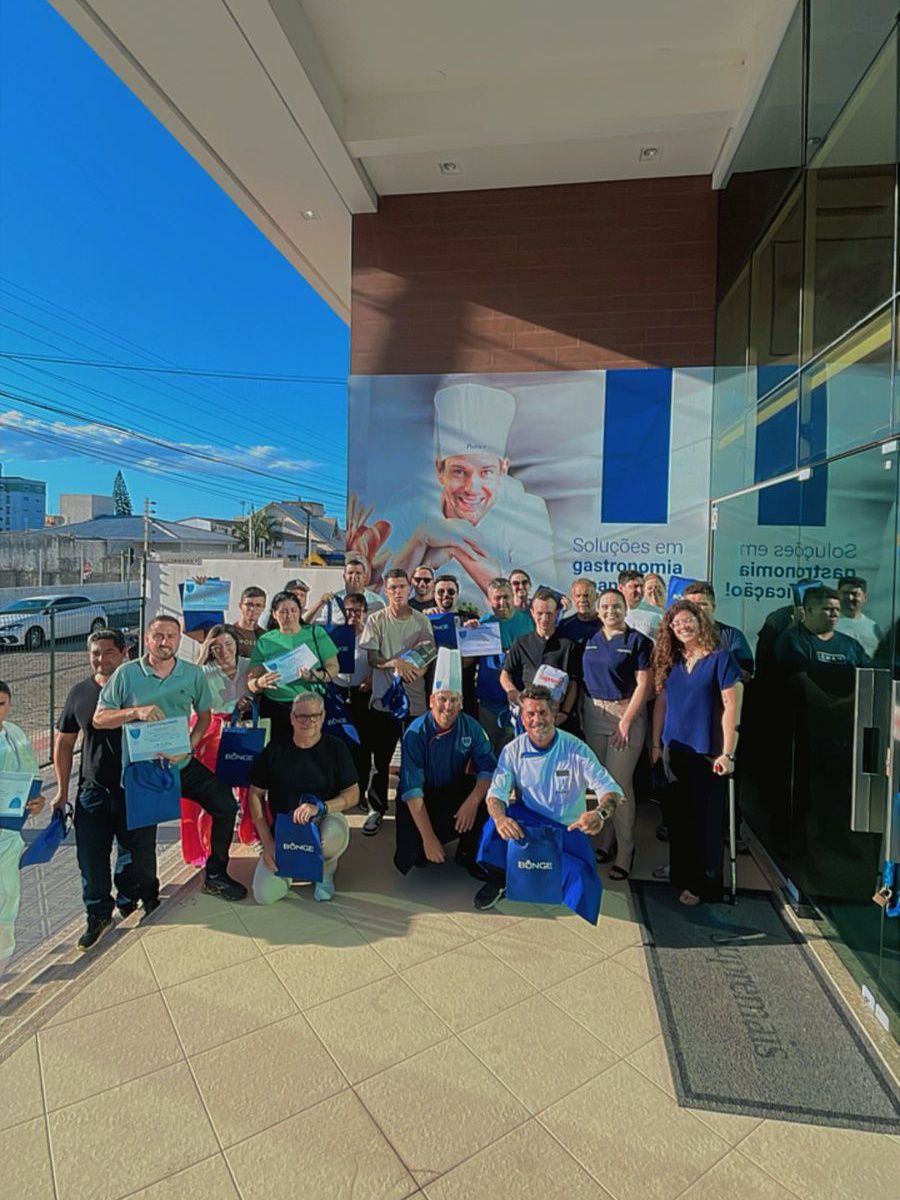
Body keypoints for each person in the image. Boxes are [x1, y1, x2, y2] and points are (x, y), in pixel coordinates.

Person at [94, 613, 247, 902]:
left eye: (171, 636)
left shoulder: (192, 674)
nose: (165, 642)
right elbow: (100, 718)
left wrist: (188, 747)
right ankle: (149, 898)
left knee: (225, 804)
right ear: (148, 639)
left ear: (179, 640)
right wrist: (134, 712)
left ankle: (215, 875)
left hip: (181, 763)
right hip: (144, 771)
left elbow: (204, 717)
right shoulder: (127, 674)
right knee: (142, 841)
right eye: (159, 636)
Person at [385, 383, 557, 603]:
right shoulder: (408, 507)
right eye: (459, 471)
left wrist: (457, 550)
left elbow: (534, 600)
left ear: (503, 470)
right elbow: (385, 594)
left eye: (486, 472)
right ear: (440, 470)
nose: (472, 487)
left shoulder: (527, 510)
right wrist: (421, 538)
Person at [54, 630, 159, 951]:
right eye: (95, 653)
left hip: (137, 789)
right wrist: (61, 791)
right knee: (90, 856)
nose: (101, 659)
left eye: (108, 653)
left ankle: (137, 898)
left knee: (138, 854)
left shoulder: (139, 689)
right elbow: (64, 742)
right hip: (93, 791)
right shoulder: (80, 693)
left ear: (124, 653)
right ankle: (98, 913)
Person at [474, 686, 623, 910]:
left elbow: (611, 791)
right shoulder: (513, 750)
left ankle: (545, 875)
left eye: (543, 713)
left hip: (566, 831)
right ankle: (500, 879)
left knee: (583, 884)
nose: (537, 720)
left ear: (554, 713)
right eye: (530, 714)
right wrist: (500, 819)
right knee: (492, 828)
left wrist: (600, 814)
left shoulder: (576, 749)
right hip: (530, 826)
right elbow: (496, 794)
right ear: (522, 719)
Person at [651, 600, 743, 906]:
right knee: (678, 819)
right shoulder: (672, 659)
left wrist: (728, 752)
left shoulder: (721, 659)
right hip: (674, 749)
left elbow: (731, 707)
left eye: (687, 621)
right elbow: (662, 704)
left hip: (708, 752)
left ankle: (705, 885)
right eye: (676, 624)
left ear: (700, 621)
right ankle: (681, 874)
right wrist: (655, 744)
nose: (682, 627)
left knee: (706, 823)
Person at [247, 693, 357, 903]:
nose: (308, 721)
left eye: (314, 715)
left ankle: (325, 869)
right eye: (302, 716)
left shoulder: (336, 748)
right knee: (264, 896)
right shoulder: (275, 749)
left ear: (323, 716)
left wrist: (322, 807)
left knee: (330, 835)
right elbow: (255, 793)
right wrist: (267, 841)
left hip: (324, 819)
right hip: (286, 829)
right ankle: (292, 867)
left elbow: (352, 794)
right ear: (292, 718)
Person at [395, 653, 496, 877]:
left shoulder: (472, 727)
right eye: (442, 699)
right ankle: (427, 842)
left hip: (453, 790)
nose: (447, 707)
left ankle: (468, 854)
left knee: (485, 801)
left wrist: (472, 802)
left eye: (453, 700)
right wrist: (429, 838)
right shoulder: (415, 732)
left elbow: (488, 768)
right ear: (431, 701)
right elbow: (412, 790)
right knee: (415, 857)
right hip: (421, 796)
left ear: (461, 703)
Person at [581, 588, 654, 879]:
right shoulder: (590, 639)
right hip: (593, 713)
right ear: (599, 611)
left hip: (625, 716)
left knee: (618, 786)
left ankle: (626, 850)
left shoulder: (638, 642)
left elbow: (644, 686)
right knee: (600, 784)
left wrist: (626, 721)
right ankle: (606, 839)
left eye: (617, 606)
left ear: (626, 609)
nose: (611, 611)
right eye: (606, 607)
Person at [358, 568, 436, 834]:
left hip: (415, 705)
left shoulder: (422, 621)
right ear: (386, 590)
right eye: (393, 588)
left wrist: (415, 670)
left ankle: (415, 813)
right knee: (380, 763)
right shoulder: (376, 620)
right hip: (384, 703)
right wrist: (395, 665)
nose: (398, 592)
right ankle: (376, 810)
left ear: (409, 588)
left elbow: (427, 658)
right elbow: (372, 659)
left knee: (415, 762)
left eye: (402, 587)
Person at [247, 591, 339, 742]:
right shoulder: (265, 641)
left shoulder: (316, 633)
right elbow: (251, 681)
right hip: (276, 708)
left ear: (300, 612)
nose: (289, 615)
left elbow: (333, 667)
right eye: (283, 611)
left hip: (310, 708)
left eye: (293, 610)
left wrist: (315, 676)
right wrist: (260, 683)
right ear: (274, 614)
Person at [0, 681, 46, 964]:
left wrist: (37, 802)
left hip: (8, 835)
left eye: (1, 703)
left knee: (6, 899)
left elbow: (31, 777)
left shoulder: (14, 734)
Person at [469, 577, 534, 754]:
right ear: (489, 600)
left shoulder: (528, 622)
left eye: (506, 597)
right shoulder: (482, 624)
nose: (502, 602)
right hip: (489, 702)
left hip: (518, 701)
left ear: (513, 596)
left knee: (515, 753)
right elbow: (467, 662)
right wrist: (467, 634)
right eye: (497, 598)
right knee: (488, 753)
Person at [500, 588, 580, 725]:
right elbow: (505, 674)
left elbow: (573, 684)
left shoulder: (568, 645)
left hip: (556, 717)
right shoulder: (521, 643)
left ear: (557, 613)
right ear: (532, 613)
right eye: (540, 613)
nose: (544, 618)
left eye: (549, 613)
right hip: (528, 716)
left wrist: (565, 713)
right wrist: (512, 691)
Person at [333, 592, 375, 800]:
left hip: (362, 693)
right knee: (338, 743)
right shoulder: (335, 634)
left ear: (365, 613)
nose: (353, 615)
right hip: (339, 693)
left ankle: (360, 791)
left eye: (358, 611)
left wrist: (373, 677)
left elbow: (380, 660)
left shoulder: (372, 634)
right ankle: (339, 790)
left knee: (363, 744)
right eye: (349, 610)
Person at [775, 586, 869, 671]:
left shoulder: (851, 645)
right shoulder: (793, 639)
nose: (835, 614)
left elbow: (868, 674)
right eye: (828, 609)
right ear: (809, 610)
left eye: (837, 609)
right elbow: (798, 679)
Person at [682, 582, 754, 679]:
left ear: (713, 607)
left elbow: (746, 674)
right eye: (691, 605)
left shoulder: (731, 635)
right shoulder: (676, 635)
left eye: (702, 604)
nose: (696, 608)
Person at [307, 557, 385, 626]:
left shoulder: (377, 601)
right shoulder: (333, 600)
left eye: (358, 573)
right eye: (350, 573)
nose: (354, 576)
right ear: (344, 576)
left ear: (365, 577)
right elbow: (322, 623)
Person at [198, 625, 253, 715]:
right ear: (210, 650)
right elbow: (186, 689)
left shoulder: (249, 665)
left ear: (236, 643)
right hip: (216, 725)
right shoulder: (205, 671)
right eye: (217, 647)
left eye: (228, 644)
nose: (224, 651)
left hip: (248, 724)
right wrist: (202, 656)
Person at [835, 575, 881, 658]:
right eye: (845, 593)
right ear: (837, 595)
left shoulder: (873, 628)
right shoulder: (828, 623)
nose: (850, 597)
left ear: (865, 597)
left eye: (855, 594)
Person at [618, 570, 662, 641]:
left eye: (641, 586)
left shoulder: (657, 613)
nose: (639, 591)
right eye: (635, 586)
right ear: (621, 588)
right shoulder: (612, 613)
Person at [227, 585, 267, 658]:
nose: (252, 609)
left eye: (258, 605)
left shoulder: (265, 637)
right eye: (249, 604)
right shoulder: (228, 632)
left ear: (263, 608)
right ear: (240, 605)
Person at [558, 579, 601, 644]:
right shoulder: (564, 625)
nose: (582, 600)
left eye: (586, 595)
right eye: (578, 596)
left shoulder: (606, 624)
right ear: (573, 598)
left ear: (597, 596)